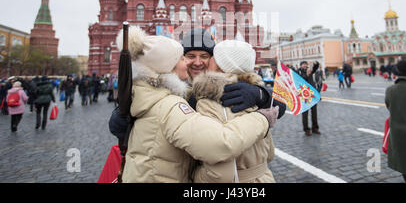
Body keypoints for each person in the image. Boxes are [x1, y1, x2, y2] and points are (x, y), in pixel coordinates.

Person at [116, 26, 278, 183]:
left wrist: (261, 94)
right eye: (189, 56)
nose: (197, 62)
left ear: (214, 59)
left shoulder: (233, 87)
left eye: (204, 56)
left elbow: (277, 107)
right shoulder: (167, 92)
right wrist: (121, 116)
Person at [192, 40, 280, 183]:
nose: (208, 61)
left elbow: (217, 168)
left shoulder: (209, 100)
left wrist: (195, 177)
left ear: (221, 65)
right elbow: (269, 154)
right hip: (265, 177)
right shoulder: (258, 96)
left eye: (213, 56)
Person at [298, 61, 320, 136]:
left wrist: (316, 63)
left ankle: (315, 128)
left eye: (306, 64)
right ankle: (306, 129)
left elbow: (315, 68)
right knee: (305, 114)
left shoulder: (309, 70)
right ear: (301, 66)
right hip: (304, 96)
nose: (305, 65)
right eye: (303, 64)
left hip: (312, 95)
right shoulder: (299, 72)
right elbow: (301, 80)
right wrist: (307, 74)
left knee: (314, 113)